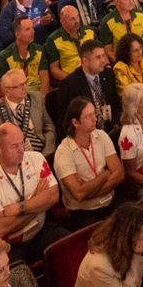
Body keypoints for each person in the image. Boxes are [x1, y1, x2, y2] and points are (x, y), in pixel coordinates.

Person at [0, 121, 68, 261]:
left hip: (42, 230)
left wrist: (20, 207)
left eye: (22, 143)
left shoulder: (36, 159)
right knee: (16, 271)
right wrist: (38, 202)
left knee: (72, 248)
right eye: (14, 146)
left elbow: (53, 196)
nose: (21, 150)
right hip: (11, 246)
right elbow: (1, 229)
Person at [55, 95, 124, 227]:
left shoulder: (101, 135)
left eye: (94, 114)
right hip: (82, 211)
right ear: (75, 123)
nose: (95, 119)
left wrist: (89, 189)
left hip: (109, 201)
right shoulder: (63, 152)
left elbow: (119, 174)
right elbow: (79, 194)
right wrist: (105, 175)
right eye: (88, 116)